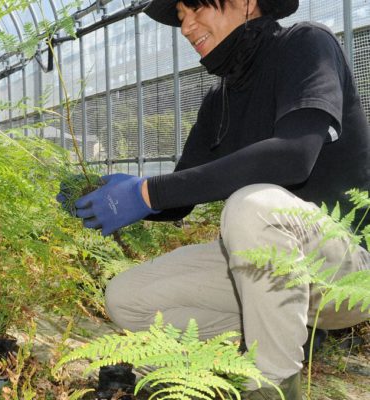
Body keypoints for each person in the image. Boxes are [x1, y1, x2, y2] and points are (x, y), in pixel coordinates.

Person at [59, 0, 370, 398]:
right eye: (181, 18)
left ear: (246, 3)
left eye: (196, 9)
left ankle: (272, 385)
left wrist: (146, 192)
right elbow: (179, 199)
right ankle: (257, 348)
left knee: (250, 206)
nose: (187, 27)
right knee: (126, 298)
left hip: (345, 270)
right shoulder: (219, 99)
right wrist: (111, 194)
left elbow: (294, 156)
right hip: (269, 267)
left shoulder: (305, 44)